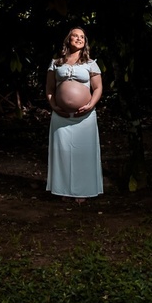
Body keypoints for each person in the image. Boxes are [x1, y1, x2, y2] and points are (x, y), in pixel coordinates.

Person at [45, 27, 103, 201]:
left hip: (84, 117)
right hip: (60, 116)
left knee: (84, 152)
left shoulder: (90, 63)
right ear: (68, 40)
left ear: (85, 42)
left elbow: (98, 88)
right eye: (75, 36)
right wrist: (53, 105)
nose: (79, 39)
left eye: (82, 37)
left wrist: (91, 105)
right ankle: (63, 190)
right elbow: (49, 88)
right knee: (62, 152)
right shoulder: (56, 63)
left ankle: (83, 191)